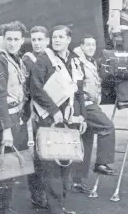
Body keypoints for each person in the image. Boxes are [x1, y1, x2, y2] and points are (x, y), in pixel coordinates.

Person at [30, 25, 86, 214]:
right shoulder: (44, 60)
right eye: (54, 37)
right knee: (51, 165)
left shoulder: (76, 61)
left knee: (66, 162)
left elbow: (79, 93)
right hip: (49, 119)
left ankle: (60, 204)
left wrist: (83, 117)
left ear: (69, 39)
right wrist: (54, 110)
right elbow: (36, 89)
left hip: (70, 119)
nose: (57, 40)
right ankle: (55, 208)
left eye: (61, 37)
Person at [0, 21, 28, 214]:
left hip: (15, 114)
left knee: (5, 159)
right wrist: (7, 127)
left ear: (22, 40)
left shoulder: (13, 58)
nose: (12, 42)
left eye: (16, 39)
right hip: (5, 117)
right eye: (8, 39)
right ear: (3, 39)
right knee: (5, 160)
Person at [71, 34, 116, 194]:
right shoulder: (78, 61)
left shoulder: (89, 61)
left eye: (93, 45)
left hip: (89, 104)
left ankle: (77, 181)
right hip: (86, 104)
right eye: (88, 44)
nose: (91, 47)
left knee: (85, 142)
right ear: (81, 46)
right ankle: (102, 163)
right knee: (107, 127)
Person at [21, 26, 50, 209]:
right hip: (34, 112)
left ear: (47, 41)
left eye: (40, 39)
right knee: (37, 155)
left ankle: (51, 194)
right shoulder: (28, 59)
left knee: (51, 153)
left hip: (51, 112)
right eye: (34, 40)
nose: (37, 43)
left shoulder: (52, 58)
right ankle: (38, 196)